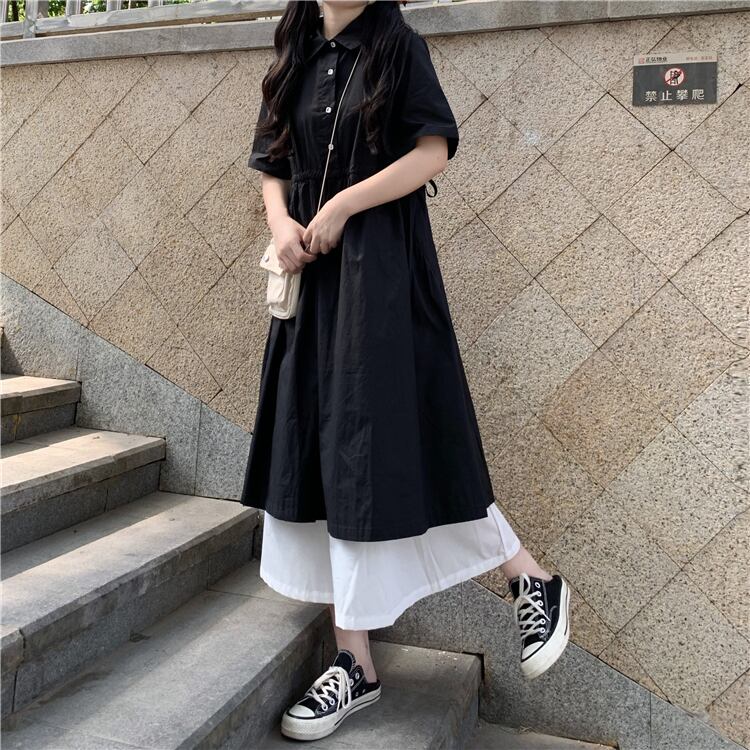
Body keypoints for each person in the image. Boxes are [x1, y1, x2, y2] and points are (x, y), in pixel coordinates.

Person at [240, 0, 571, 741]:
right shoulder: (296, 50)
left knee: (396, 440)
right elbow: (273, 161)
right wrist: (281, 223)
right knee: (326, 453)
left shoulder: (397, 45)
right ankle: (356, 661)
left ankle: (528, 576)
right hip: (312, 283)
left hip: (382, 274)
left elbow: (432, 150)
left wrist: (342, 206)